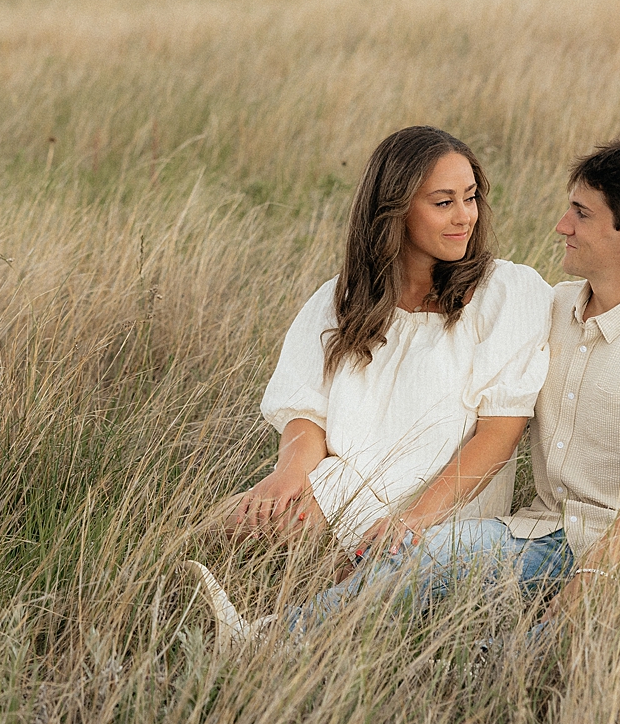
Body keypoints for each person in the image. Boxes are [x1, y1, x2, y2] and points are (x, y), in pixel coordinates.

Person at [193, 137, 620, 646]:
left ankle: (500, 667)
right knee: (420, 555)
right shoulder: (554, 310)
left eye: (581, 213)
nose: (560, 225)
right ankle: (261, 641)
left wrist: (585, 587)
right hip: (549, 534)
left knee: (574, 631)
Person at [187, 126, 554, 645]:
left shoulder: (507, 293)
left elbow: (499, 436)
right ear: (395, 210)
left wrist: (413, 521)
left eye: (470, 198)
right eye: (443, 202)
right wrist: (288, 475)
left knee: (363, 575)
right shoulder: (342, 298)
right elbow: (307, 413)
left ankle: (268, 640)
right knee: (220, 524)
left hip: (439, 500)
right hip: (344, 481)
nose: (465, 216)